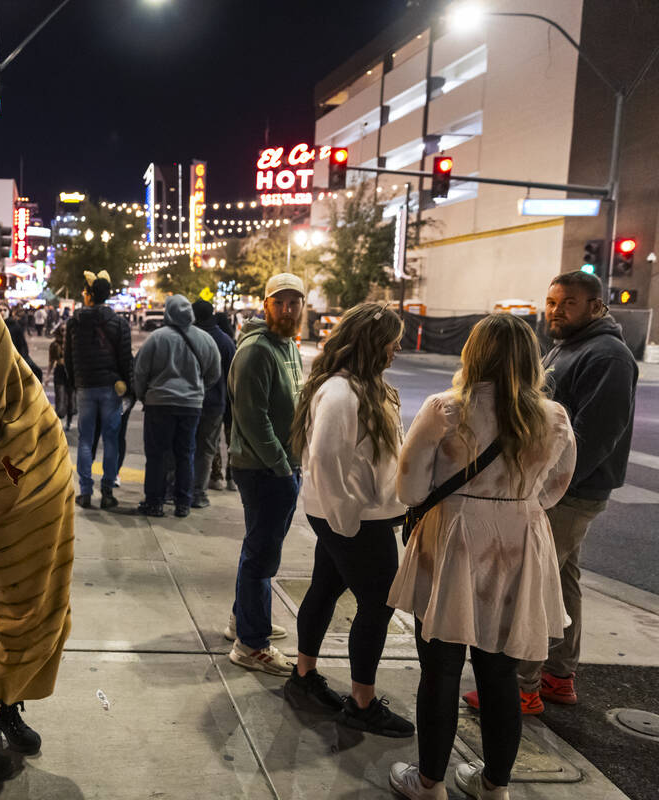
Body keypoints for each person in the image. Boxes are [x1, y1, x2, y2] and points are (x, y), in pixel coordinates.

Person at [387, 313, 575, 800]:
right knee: (499, 671)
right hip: (518, 544)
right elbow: (555, 490)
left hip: (452, 540)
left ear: (473, 354)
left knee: (441, 669)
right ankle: (495, 786)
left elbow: (408, 489)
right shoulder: (553, 417)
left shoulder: (446, 409)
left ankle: (429, 783)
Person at [463, 271, 638, 717]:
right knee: (563, 580)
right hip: (560, 488)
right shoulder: (568, 346)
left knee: (533, 584)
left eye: (569, 303)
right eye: (552, 301)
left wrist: (545, 484)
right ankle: (559, 675)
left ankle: (522, 686)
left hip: (570, 492)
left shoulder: (608, 355)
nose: (556, 310)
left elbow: (597, 435)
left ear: (596, 306)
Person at [286, 303, 413, 737]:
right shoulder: (342, 393)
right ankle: (361, 703)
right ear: (372, 343)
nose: (397, 346)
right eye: (393, 339)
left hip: (352, 516)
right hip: (355, 519)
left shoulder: (364, 387)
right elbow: (325, 459)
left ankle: (303, 676)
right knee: (378, 605)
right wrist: (349, 519)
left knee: (326, 586)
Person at [225, 273, 305, 675]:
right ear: (265, 303)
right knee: (261, 556)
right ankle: (250, 644)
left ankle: (245, 618)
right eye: (281, 302)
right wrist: (280, 466)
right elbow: (252, 418)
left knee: (259, 547)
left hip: (282, 465)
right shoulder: (257, 350)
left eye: (295, 302)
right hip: (264, 469)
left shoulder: (289, 345)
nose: (288, 310)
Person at [133, 294, 221, 518]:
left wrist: (143, 395)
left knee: (157, 455)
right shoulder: (205, 339)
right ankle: (183, 501)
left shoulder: (157, 338)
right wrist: (197, 391)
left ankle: (154, 501)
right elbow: (214, 373)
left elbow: (140, 372)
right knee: (186, 453)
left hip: (159, 403)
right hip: (191, 406)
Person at [66, 270, 133, 509]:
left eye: (85, 292)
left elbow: (68, 359)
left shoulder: (74, 322)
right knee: (111, 440)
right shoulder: (118, 323)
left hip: (85, 387)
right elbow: (126, 358)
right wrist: (129, 387)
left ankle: (85, 491)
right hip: (111, 388)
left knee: (85, 440)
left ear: (91, 295)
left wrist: (76, 383)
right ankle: (107, 491)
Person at [190, 300, 236, 508]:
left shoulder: (190, 338)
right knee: (209, 446)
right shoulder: (226, 341)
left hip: (192, 401)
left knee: (189, 446)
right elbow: (233, 375)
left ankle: (190, 486)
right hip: (220, 401)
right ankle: (206, 488)